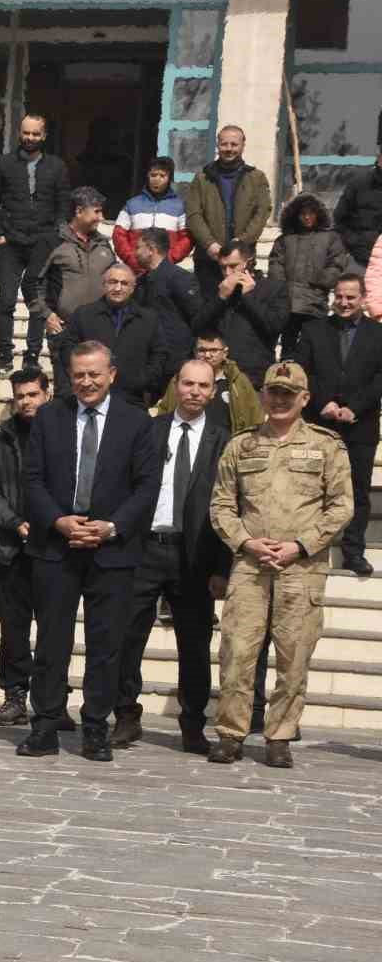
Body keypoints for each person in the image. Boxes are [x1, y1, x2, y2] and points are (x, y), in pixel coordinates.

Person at [16, 342, 161, 762]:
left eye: (94, 374)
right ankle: (45, 725)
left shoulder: (137, 422)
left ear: (112, 374)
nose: (86, 382)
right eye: (79, 374)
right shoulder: (49, 417)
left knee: (106, 645)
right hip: (55, 548)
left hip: (112, 551)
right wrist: (57, 520)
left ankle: (96, 728)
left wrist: (112, 527)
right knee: (51, 643)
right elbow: (32, 478)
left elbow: (147, 486)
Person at [209, 361, 352, 767]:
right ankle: (231, 734)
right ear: (263, 395)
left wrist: (300, 546)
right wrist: (246, 542)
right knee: (237, 652)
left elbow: (341, 506)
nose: (279, 400)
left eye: (288, 395)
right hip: (250, 566)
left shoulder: (327, 446)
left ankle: (280, 736)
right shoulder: (242, 445)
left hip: (301, 568)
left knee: (294, 655)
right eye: (273, 392)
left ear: (304, 399)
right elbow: (221, 504)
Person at [113, 359, 232, 754]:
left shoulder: (223, 439)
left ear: (212, 392)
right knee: (127, 636)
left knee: (194, 646)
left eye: (203, 386)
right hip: (145, 548)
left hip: (194, 556)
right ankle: (126, 714)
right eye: (188, 384)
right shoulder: (150, 429)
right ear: (175, 386)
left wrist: (222, 567)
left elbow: (230, 506)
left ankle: (193, 725)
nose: (194, 392)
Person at [0, 368, 48, 726]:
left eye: (33, 394)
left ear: (47, 394)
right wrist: (14, 521)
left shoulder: (63, 435)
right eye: (20, 396)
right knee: (13, 630)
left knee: (53, 631)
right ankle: (15, 695)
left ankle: (52, 700)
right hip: (9, 550)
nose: (26, 401)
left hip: (52, 549)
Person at [292, 274, 382, 576]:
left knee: (357, 491)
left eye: (350, 297)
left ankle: (353, 551)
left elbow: (379, 378)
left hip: (361, 425)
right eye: (339, 296)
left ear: (363, 298)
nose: (343, 302)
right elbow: (302, 371)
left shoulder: (378, 333)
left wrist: (355, 407)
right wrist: (323, 403)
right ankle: (309, 546)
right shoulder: (313, 329)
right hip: (319, 422)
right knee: (312, 486)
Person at [0, 115, 69, 377]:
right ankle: (4, 356)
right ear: (20, 133)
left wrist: (56, 236)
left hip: (43, 242)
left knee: (37, 301)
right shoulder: (2, 163)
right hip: (10, 242)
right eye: (26, 133)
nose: (30, 138)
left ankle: (32, 356)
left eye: (35, 134)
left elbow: (63, 203)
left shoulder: (56, 166)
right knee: (6, 300)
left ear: (44, 136)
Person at [31, 187, 116, 394]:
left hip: (101, 330)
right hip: (65, 331)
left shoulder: (104, 244)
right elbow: (31, 283)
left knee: (101, 392)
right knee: (67, 394)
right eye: (97, 211)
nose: (101, 217)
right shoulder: (51, 241)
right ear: (79, 211)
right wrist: (47, 315)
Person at [184, 125, 273, 299]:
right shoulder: (202, 178)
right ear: (218, 145)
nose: (229, 149)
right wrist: (210, 244)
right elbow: (193, 214)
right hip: (208, 260)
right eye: (224, 144)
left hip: (243, 260)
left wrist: (242, 242)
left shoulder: (256, 178)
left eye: (234, 144)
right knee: (209, 307)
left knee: (241, 307)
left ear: (243, 145)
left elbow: (262, 212)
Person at [61, 264, 166, 409]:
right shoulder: (84, 315)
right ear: (104, 285)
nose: (118, 288)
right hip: (89, 394)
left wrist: (144, 381)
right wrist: (81, 377)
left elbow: (159, 354)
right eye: (113, 282)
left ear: (132, 288)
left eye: (124, 283)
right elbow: (68, 349)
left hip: (132, 398)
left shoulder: (148, 319)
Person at [189, 238, 290, 388]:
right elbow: (197, 326)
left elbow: (274, 326)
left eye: (233, 266)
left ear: (248, 262)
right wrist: (220, 298)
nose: (227, 272)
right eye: (223, 267)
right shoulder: (216, 289)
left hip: (254, 374)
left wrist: (247, 296)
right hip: (217, 373)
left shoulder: (274, 288)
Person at [269, 193, 349, 360]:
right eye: (302, 214)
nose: (307, 217)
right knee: (288, 347)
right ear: (294, 215)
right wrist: (282, 289)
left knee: (314, 346)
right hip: (289, 303)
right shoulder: (285, 239)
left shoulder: (330, 238)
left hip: (315, 302)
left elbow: (337, 265)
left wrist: (319, 279)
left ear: (318, 214)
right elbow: (276, 265)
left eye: (311, 213)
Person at [156, 332, 264, 437]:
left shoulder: (238, 381)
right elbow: (165, 410)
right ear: (195, 352)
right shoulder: (181, 379)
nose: (207, 355)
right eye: (202, 350)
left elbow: (255, 416)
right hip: (187, 441)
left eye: (213, 350)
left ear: (225, 353)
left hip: (228, 443)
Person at [133, 226, 203, 369]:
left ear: (151, 249)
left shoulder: (179, 278)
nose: (135, 253)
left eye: (138, 247)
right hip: (150, 358)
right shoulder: (141, 282)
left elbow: (197, 316)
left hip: (175, 360)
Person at [112, 156, 193, 271]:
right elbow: (118, 235)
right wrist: (133, 260)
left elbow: (187, 238)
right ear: (147, 176)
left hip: (166, 270)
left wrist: (168, 261)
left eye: (162, 176)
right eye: (153, 175)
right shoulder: (132, 205)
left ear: (170, 178)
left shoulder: (180, 207)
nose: (157, 179)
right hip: (136, 270)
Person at [334, 151, 382, 270]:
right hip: (361, 261)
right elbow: (339, 220)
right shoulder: (358, 184)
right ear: (379, 158)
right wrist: (355, 242)